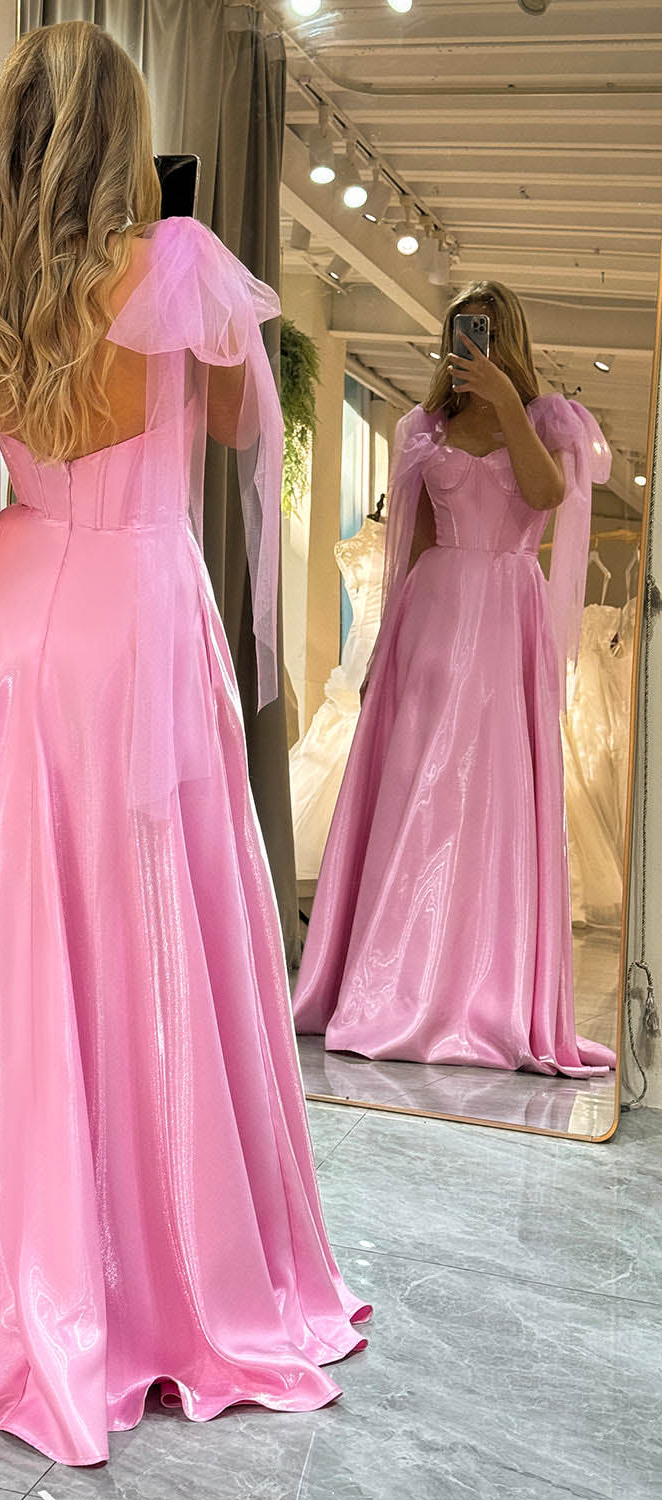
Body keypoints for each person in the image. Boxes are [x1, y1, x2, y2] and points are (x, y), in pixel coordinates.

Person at [0, 20, 369, 1470]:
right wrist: (197, 312)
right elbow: (247, 429)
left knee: (13, 952)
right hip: (142, 625)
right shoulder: (178, 271)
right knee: (161, 930)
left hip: (16, 635)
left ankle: (0, 1279)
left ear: (7, 134)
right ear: (124, 139)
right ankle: (171, 1269)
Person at [292, 280, 617, 1078]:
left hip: (505, 619)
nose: (471, 343)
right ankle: (391, 978)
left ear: (509, 339)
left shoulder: (550, 423)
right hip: (432, 618)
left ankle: (474, 991)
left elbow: (547, 497)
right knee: (414, 790)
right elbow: (410, 547)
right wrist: (378, 649)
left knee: (489, 796)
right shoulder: (423, 428)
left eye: (487, 332)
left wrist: (507, 402)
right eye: (464, 331)